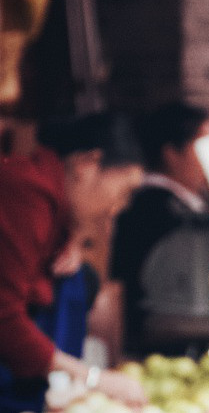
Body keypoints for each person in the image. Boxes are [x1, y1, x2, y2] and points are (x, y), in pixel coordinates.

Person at [0, 112, 147, 412]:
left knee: (79, 278)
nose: (116, 209)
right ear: (87, 165)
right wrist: (93, 378)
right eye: (123, 192)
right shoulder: (26, 190)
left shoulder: (56, 206)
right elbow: (3, 315)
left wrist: (72, 237)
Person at [111, 101, 209, 356]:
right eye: (204, 147)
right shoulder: (154, 207)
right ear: (171, 153)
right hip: (160, 344)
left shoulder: (190, 204)